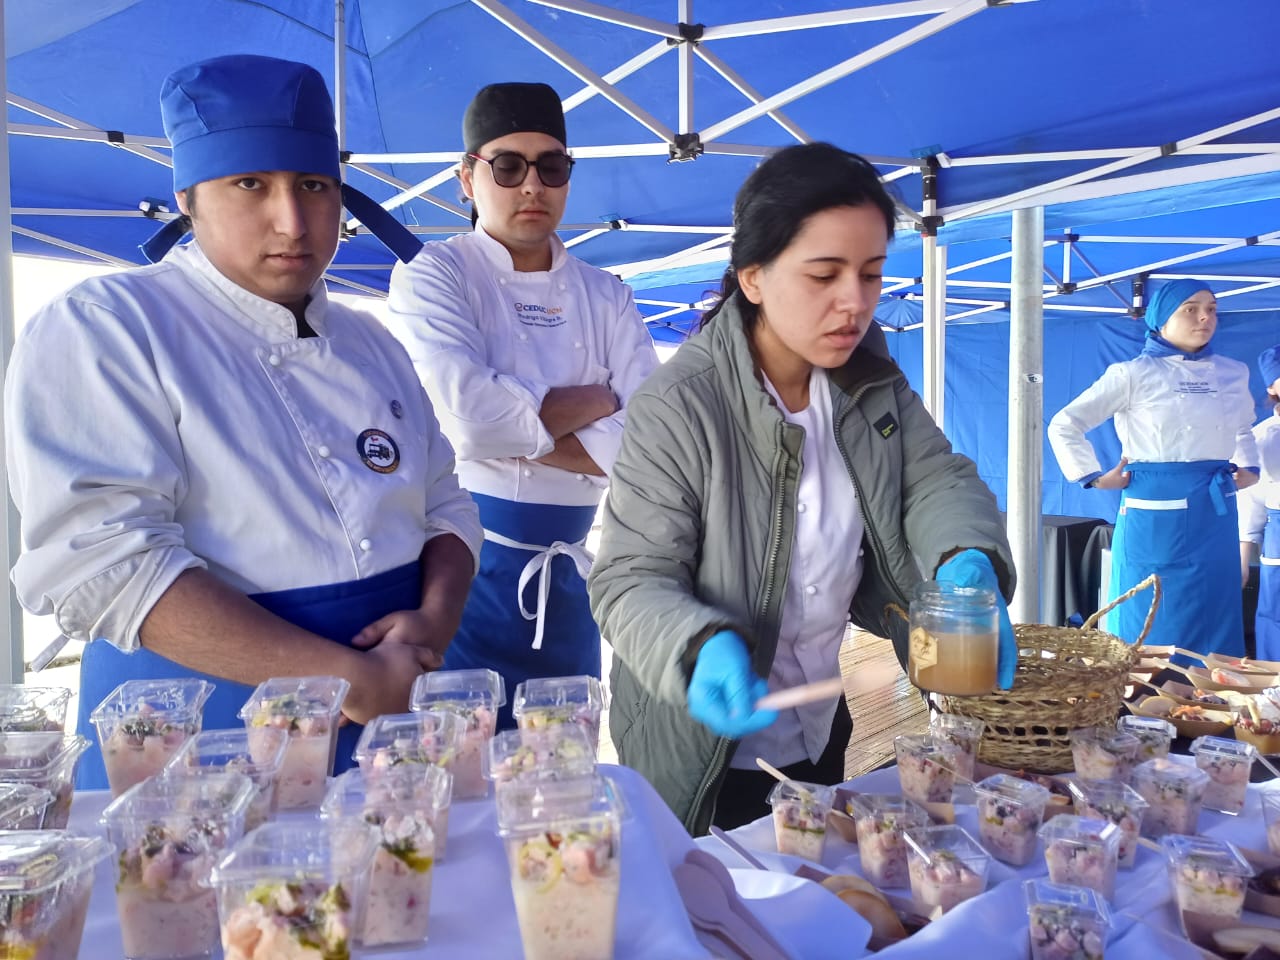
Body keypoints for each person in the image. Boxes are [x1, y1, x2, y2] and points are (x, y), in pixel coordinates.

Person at [4, 54, 483, 788]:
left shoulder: (372, 340)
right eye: (251, 183)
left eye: (315, 186)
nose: (292, 221)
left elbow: (445, 503)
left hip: (390, 724)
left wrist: (434, 620)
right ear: (188, 196)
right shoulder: (108, 327)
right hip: (201, 741)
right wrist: (345, 678)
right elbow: (103, 562)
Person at [586, 143, 1014, 834]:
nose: (854, 302)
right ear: (752, 277)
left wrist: (965, 560)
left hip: (817, 723)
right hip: (701, 750)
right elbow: (630, 577)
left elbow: (936, 476)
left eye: (872, 275)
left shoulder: (869, 383)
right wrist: (695, 646)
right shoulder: (683, 403)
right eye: (824, 275)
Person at [384, 82, 658, 728]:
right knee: (459, 771)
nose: (531, 184)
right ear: (467, 179)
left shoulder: (606, 294)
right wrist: (597, 402)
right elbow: (464, 418)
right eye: (507, 166)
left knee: (563, 789)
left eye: (551, 167)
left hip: (570, 582)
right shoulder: (435, 274)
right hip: (461, 576)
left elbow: (650, 446)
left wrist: (514, 428)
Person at [1048, 279, 1258, 661]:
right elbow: (1065, 423)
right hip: (1156, 505)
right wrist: (1093, 476)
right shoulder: (1132, 373)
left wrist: (1250, 465)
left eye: (1211, 308)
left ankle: (1214, 703)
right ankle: (1141, 700)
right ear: (1161, 318)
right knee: (1152, 602)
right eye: (1190, 308)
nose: (1205, 317)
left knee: (1215, 603)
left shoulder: (1233, 372)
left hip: (1216, 509)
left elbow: (1243, 426)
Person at [1239, 345, 1280, 659]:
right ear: (1271, 387)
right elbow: (1250, 505)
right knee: (1275, 619)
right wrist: (1242, 562)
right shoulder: (1262, 439)